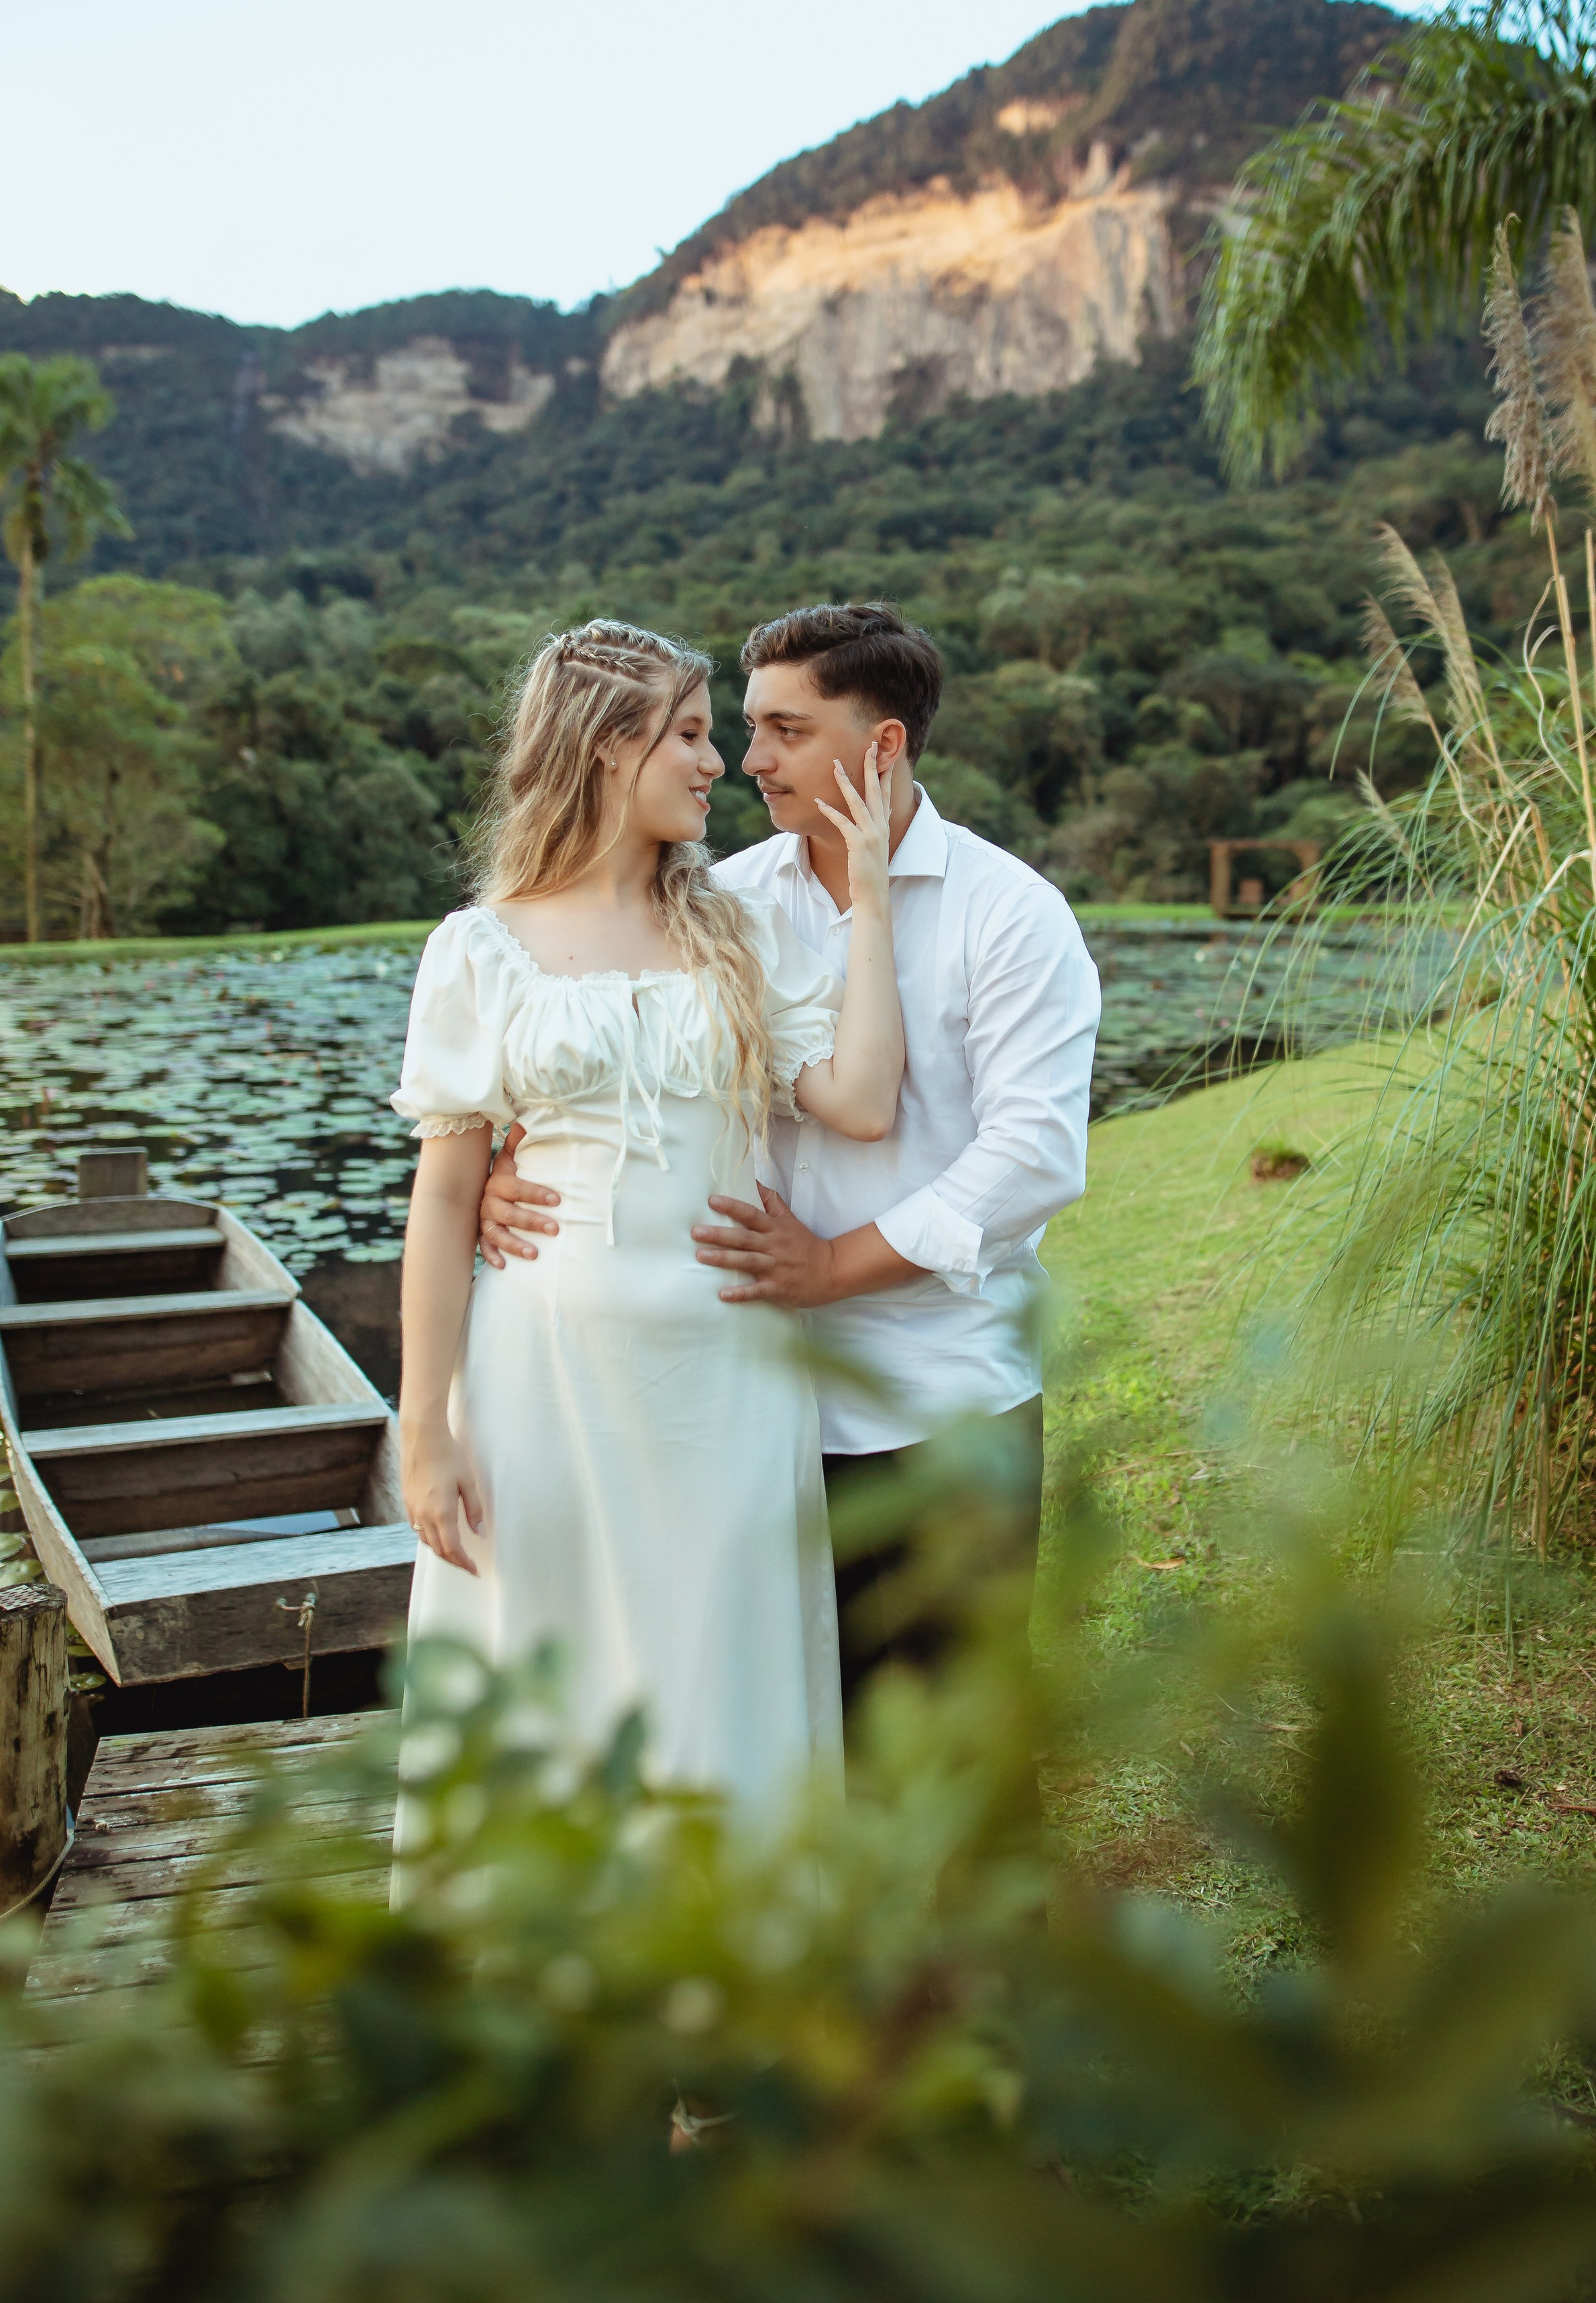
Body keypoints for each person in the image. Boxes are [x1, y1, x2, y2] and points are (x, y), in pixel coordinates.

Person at [480, 601, 1102, 1704]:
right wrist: (506, 1169)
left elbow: (1034, 1156)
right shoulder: (721, 901)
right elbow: (611, 1054)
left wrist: (834, 1267)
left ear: (884, 744)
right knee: (789, 1743)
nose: (748, 761)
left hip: (936, 1398)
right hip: (746, 1404)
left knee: (955, 1751)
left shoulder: (1010, 914)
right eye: (746, 729)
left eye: (785, 731)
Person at [390, 618, 904, 1824]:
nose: (717, 761)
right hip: (541, 1381)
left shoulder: (734, 929)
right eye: (687, 734)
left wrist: (869, 900)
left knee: (719, 1664)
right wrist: (424, 1430)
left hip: (728, 1374)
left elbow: (864, 1103)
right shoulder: (479, 948)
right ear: (606, 747)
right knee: (549, 1671)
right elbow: (448, 1196)